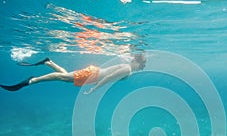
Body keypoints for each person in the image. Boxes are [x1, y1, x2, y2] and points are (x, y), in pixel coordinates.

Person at [0, 54, 146, 94]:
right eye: (142, 64)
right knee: (64, 77)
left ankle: (48, 62)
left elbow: (112, 78)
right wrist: (94, 89)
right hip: (92, 75)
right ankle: (33, 80)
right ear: (135, 61)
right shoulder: (127, 68)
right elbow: (108, 78)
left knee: (66, 78)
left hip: (92, 76)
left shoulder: (128, 70)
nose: (143, 67)